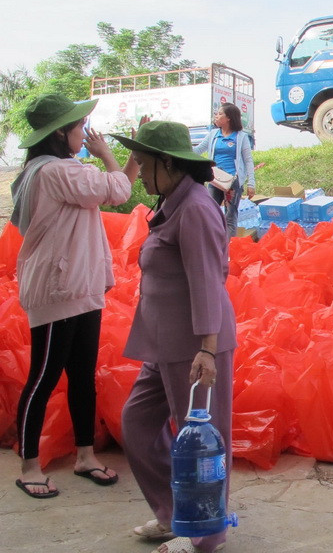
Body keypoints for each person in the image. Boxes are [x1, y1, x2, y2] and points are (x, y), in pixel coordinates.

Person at [113, 121, 237, 553]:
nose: (139, 176)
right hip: (164, 345)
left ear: (167, 163)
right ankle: (175, 513)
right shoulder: (173, 202)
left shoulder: (196, 208)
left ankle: (205, 533)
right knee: (137, 424)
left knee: (202, 443)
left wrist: (207, 349)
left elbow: (207, 280)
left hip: (196, 347)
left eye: (143, 164)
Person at [9, 93, 138, 498]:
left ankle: (85, 455)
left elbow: (117, 188)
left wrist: (131, 156)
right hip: (59, 289)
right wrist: (108, 155)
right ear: (59, 133)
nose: (86, 132)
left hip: (78, 287)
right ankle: (30, 466)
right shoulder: (55, 171)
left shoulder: (50, 170)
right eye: (80, 126)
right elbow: (117, 190)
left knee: (83, 375)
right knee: (43, 377)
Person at [194, 102, 255, 237]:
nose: (216, 116)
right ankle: (212, 242)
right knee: (209, 212)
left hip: (232, 181)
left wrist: (251, 183)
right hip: (214, 179)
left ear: (228, 118)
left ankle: (229, 246)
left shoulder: (241, 137)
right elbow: (197, 150)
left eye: (220, 114)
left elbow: (248, 161)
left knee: (230, 216)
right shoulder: (213, 134)